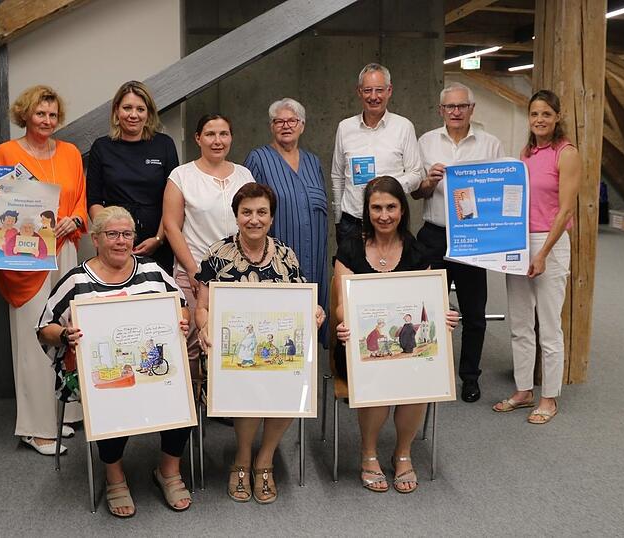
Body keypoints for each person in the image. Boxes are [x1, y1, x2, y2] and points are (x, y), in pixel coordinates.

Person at [36, 206, 194, 516]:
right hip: (101, 372)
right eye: (112, 234)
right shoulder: (76, 280)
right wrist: (65, 334)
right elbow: (44, 328)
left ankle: (169, 470)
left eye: (127, 234)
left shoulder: (151, 270)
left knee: (179, 392)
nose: (121, 241)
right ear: (95, 239)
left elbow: (182, 304)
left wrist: (183, 320)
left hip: (149, 365)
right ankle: (114, 476)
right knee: (110, 397)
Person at [0, 84, 87, 456]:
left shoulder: (69, 152)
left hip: (64, 250)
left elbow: (81, 198)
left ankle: (61, 413)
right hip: (25, 258)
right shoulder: (7, 152)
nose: (47, 120)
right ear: (25, 115)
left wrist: (76, 219)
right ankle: (35, 428)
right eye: (40, 114)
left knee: (68, 332)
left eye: (52, 114)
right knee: (36, 338)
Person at [195, 183, 326, 505]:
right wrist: (204, 327)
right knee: (246, 382)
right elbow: (202, 306)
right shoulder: (217, 254)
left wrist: (315, 312)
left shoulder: (285, 255)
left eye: (262, 212)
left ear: (271, 217)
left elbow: (300, 303)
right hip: (234, 353)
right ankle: (241, 458)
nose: (254, 219)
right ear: (237, 216)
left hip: (275, 349)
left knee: (290, 380)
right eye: (247, 212)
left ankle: (265, 458)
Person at [332, 177, 459, 494]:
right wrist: (345, 323)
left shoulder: (419, 251)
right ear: (367, 211)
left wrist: (444, 315)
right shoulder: (350, 248)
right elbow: (339, 307)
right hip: (358, 346)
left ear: (403, 210)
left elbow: (430, 303)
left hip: (407, 348)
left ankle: (403, 452)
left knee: (416, 379)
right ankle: (369, 453)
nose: (384, 215)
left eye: (391, 207)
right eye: (376, 208)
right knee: (377, 376)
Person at [413, 82, 505, 403]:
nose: (455, 112)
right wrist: (429, 181)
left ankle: (469, 377)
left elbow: (500, 191)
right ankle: (428, 375)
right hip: (434, 234)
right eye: (449, 107)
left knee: (474, 313)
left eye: (461, 106)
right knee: (427, 309)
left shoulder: (491, 145)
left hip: (473, 238)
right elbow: (417, 192)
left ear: (471, 109)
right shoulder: (425, 142)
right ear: (441, 110)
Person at [493, 90, 580, 426]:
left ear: (557, 116)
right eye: (534, 114)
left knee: (549, 325)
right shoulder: (526, 153)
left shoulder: (566, 153)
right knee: (519, 323)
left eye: (546, 114)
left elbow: (566, 209)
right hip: (518, 242)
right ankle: (524, 389)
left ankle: (548, 398)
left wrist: (542, 253)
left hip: (550, 244)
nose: (540, 120)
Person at [163, 114, 254, 371]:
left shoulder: (244, 175)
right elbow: (171, 226)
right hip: (193, 273)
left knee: (233, 344)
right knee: (192, 346)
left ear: (231, 138)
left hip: (239, 276)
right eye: (210, 134)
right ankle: (193, 409)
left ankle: (225, 410)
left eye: (223, 134)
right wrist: (194, 271)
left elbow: (253, 222)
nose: (217, 141)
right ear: (198, 138)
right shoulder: (181, 176)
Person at [244, 98, 329, 324]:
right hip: (275, 260)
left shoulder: (313, 162)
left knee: (314, 318)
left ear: (302, 125)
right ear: (271, 127)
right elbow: (248, 208)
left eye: (292, 120)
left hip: (314, 258)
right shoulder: (258, 159)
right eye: (279, 121)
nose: (286, 125)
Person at [87, 81, 179, 274]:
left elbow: (173, 200)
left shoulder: (164, 145)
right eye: (127, 108)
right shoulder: (102, 147)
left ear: (149, 113)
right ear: (116, 111)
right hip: (114, 245)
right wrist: (110, 235)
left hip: (157, 241)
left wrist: (158, 239)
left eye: (140, 109)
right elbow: (94, 200)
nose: (133, 115)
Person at [331, 63, 422, 244]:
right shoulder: (345, 127)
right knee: (348, 272)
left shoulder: (403, 127)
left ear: (389, 90)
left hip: (389, 222)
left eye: (379, 90)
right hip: (352, 223)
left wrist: (388, 187)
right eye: (367, 90)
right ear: (359, 92)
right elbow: (337, 175)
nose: (373, 97)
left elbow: (416, 174)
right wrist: (338, 217)